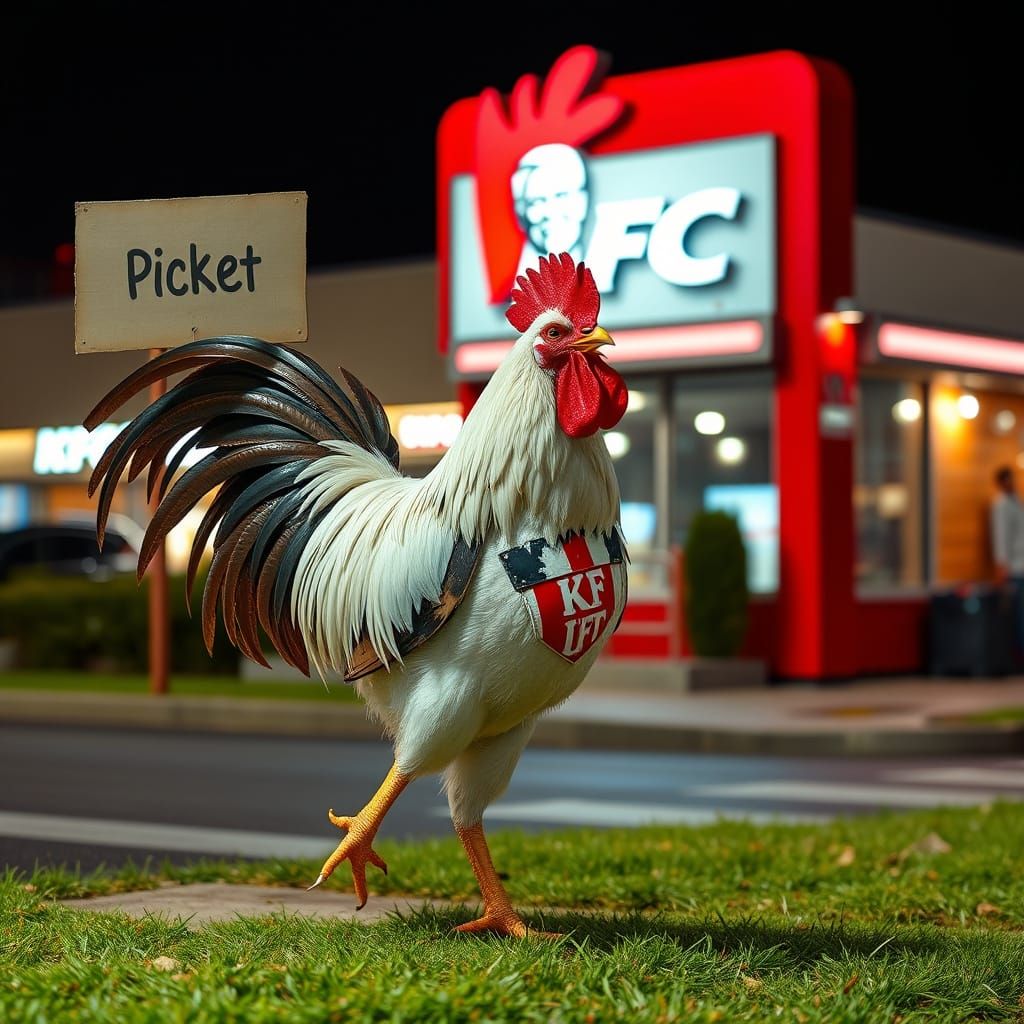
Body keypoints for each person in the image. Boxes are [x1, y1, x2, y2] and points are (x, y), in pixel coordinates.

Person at [991, 465, 1024, 659]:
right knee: (1018, 615)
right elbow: (1000, 536)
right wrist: (1001, 565)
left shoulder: (1017, 502)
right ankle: (1018, 654)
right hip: (1014, 569)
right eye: (1008, 480)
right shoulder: (1001, 505)